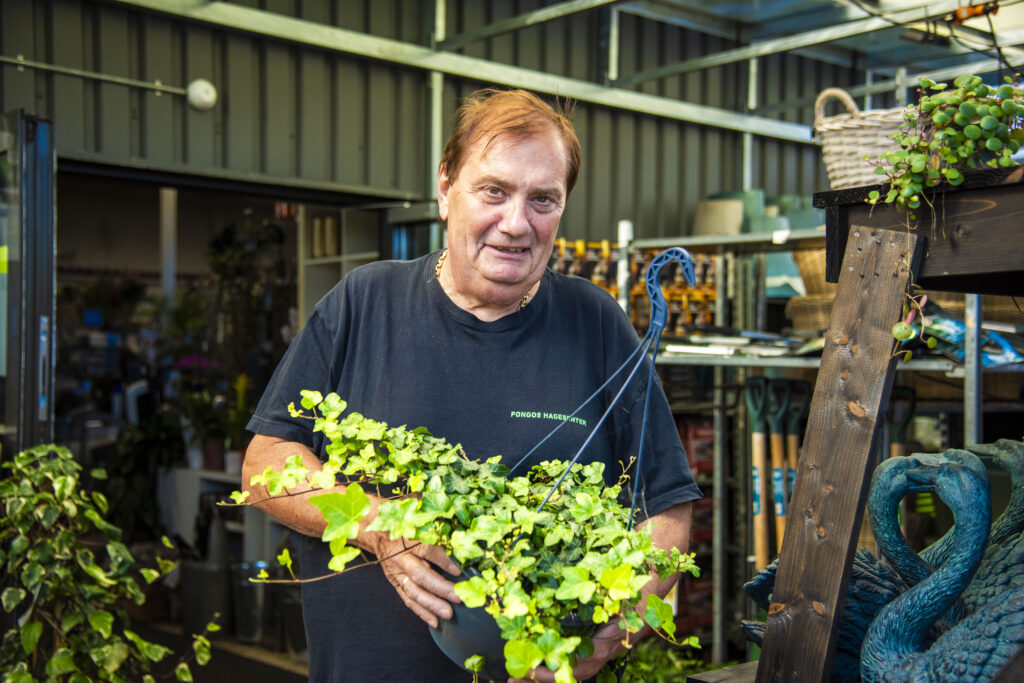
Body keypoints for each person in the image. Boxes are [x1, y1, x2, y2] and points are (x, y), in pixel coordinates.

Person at [242, 88, 701, 683]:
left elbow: (666, 504)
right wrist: (374, 522)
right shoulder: (363, 303)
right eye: (494, 191)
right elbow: (264, 464)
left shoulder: (597, 323)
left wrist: (622, 627)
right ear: (445, 188)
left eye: (543, 199)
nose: (516, 224)